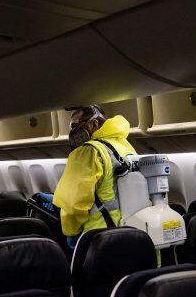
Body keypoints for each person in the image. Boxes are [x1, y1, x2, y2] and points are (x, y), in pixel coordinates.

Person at [49, 105, 137, 248]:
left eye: (76, 125)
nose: (73, 131)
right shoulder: (125, 146)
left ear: (94, 124)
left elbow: (73, 205)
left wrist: (71, 232)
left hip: (100, 240)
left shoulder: (89, 151)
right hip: (133, 234)